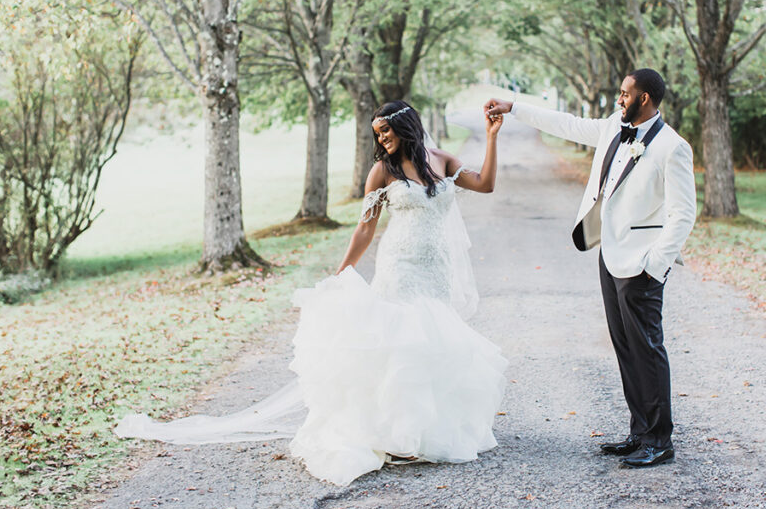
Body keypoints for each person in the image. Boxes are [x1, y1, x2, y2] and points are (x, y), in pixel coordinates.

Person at [116, 101, 507, 486]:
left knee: (432, 343)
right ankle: (398, 435)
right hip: (400, 265)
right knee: (404, 344)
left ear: (404, 126)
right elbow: (365, 229)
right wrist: (342, 273)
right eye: (377, 134)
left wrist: (491, 137)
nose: (381, 139)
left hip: (435, 268)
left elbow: (485, 184)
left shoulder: (442, 160)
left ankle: (425, 430)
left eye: (385, 131)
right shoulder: (381, 172)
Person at [484, 68, 696, 468]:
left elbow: (683, 215)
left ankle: (659, 440)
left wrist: (654, 265)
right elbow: (566, 123)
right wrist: (514, 108)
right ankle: (639, 433)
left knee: (647, 348)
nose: (619, 99)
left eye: (625, 94)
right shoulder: (614, 127)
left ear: (644, 98)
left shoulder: (672, 147)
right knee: (626, 347)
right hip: (610, 254)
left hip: (641, 264)